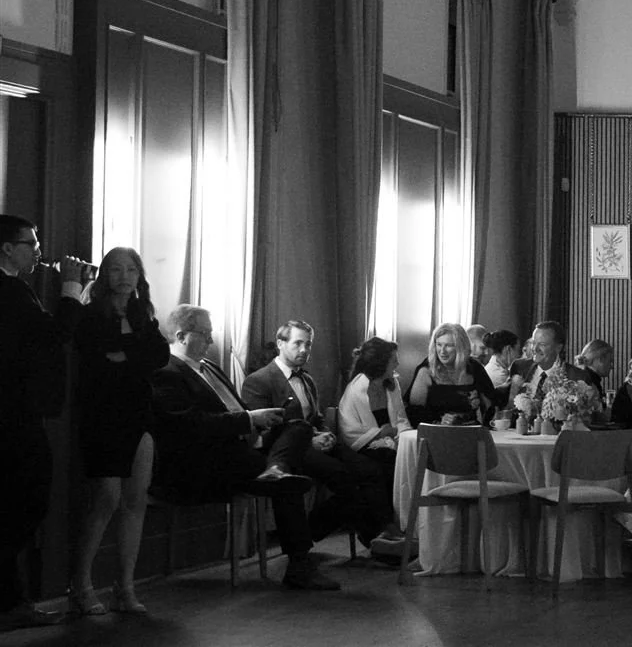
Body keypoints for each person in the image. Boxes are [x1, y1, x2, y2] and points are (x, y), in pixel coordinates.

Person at [151, 304, 336, 591]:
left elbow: (234, 409)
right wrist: (248, 420)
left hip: (240, 447)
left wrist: (258, 423)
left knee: (297, 428)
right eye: (205, 334)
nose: (212, 341)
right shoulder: (166, 371)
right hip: (204, 461)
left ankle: (276, 468)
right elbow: (189, 426)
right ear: (181, 335)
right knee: (290, 479)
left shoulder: (209, 367)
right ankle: (299, 564)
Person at [67, 246, 168, 617]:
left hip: (138, 413)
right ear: (104, 276)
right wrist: (131, 353)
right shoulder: (92, 314)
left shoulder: (143, 313)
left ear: (140, 276)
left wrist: (127, 355)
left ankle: (124, 587)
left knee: (135, 500)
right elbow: (102, 355)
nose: (124, 277)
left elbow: (158, 356)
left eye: (130, 270)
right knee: (105, 499)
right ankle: (81, 585)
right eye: (115, 270)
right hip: (102, 414)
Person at [0, 215, 86, 630]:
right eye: (30, 243)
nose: (38, 249)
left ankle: (11, 603)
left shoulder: (15, 290)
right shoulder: (10, 290)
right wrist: (71, 287)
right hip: (13, 416)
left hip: (15, 412)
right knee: (27, 501)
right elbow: (54, 335)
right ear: (6, 248)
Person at [240, 319, 392, 547]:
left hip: (317, 442)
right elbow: (264, 430)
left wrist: (325, 434)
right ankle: (374, 540)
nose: (304, 350)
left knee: (370, 470)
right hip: (287, 451)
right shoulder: (259, 380)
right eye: (298, 343)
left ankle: (322, 528)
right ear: (281, 344)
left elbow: (316, 417)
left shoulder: (307, 379)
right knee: (344, 477)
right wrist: (310, 439)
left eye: (308, 344)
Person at [336, 336, 412, 481]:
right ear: (381, 363)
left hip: (393, 441)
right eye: (393, 360)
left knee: (411, 455)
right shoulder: (355, 389)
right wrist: (379, 433)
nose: (398, 363)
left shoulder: (392, 384)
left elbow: (401, 418)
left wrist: (400, 437)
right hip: (366, 446)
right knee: (388, 461)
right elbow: (349, 430)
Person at [404, 321, 494, 426]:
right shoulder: (426, 371)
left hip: (470, 432)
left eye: (448, 346)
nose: (442, 351)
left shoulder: (474, 367)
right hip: (436, 433)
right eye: (439, 345)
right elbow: (413, 413)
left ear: (461, 347)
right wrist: (440, 422)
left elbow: (491, 403)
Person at [508, 320, 596, 417]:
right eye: (533, 343)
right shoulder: (519, 367)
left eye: (542, 344)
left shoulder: (577, 377)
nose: (535, 348)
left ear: (558, 348)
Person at [480, 328, 520, 401]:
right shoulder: (499, 376)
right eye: (517, 350)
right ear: (508, 349)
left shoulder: (494, 367)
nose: (518, 356)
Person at [575, 338, 616, 404]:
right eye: (610, 361)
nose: (612, 366)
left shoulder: (582, 376)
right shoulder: (589, 383)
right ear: (601, 359)